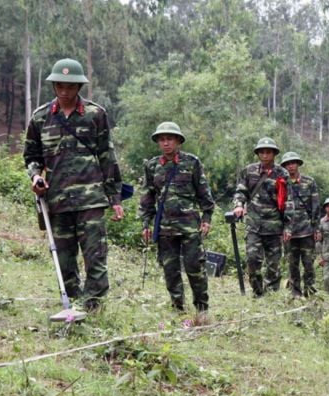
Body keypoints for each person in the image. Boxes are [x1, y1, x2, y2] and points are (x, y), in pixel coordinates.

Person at [23, 58, 124, 311]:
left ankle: (93, 308)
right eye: (60, 86)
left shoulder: (95, 114)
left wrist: (115, 199)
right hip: (57, 200)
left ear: (79, 87)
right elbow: (32, 157)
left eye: (70, 86)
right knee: (64, 258)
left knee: (95, 257)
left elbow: (107, 157)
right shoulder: (40, 118)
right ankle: (72, 306)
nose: (65, 91)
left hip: (91, 199)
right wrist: (36, 177)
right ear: (54, 86)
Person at [139, 122, 215, 312]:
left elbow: (204, 193)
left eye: (170, 139)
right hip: (164, 227)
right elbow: (147, 198)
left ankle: (202, 307)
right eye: (162, 140)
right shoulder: (152, 166)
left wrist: (207, 218)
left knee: (195, 268)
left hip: (190, 227)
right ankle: (177, 307)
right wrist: (145, 225)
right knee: (170, 270)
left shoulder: (192, 162)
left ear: (178, 141)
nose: (166, 143)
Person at [232, 137, 290, 296]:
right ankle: (258, 292)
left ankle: (271, 294)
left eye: (268, 152)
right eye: (262, 152)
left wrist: (288, 227)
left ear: (274, 154)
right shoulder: (249, 171)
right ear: (258, 154)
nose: (265, 155)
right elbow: (241, 191)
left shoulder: (282, 173)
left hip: (274, 226)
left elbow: (288, 202)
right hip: (254, 224)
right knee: (252, 259)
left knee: (273, 264)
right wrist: (238, 205)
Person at [280, 151, 320, 297]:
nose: (290, 166)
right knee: (292, 264)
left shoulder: (309, 182)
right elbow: (278, 207)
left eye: (293, 163)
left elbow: (315, 206)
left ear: (298, 164)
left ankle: (309, 291)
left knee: (308, 263)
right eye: (287, 164)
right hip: (289, 231)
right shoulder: (281, 183)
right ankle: (295, 292)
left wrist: (316, 228)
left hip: (307, 230)